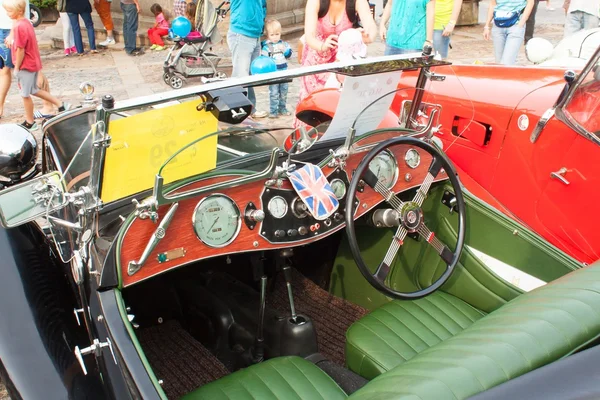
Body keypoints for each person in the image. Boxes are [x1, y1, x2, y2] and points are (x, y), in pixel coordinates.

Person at [3, 0, 70, 130]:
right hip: (31, 62)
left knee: (25, 94)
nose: (7, 14)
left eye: (9, 11)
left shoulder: (19, 27)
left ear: (19, 11)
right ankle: (60, 104)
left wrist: (16, 67)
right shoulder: (26, 23)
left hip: (25, 65)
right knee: (33, 90)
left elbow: (20, 49)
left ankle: (30, 121)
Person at [299, 0, 376, 104]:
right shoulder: (315, 2)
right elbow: (309, 36)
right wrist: (322, 46)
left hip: (341, 58)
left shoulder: (357, 2)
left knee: (338, 101)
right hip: (316, 59)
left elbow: (370, 26)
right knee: (312, 103)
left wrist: (368, 35)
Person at [227, 0, 267, 118]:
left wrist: (262, 23)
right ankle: (239, 112)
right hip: (241, 32)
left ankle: (250, 110)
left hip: (255, 34)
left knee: (248, 76)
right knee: (241, 75)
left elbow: (262, 5)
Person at [483, 0, 535, 65]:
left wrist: (522, 22)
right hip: (498, 25)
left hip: (515, 25)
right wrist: (487, 26)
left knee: (507, 62)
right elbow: (493, 4)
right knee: (499, 62)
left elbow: (530, 2)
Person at [261, 19, 292, 118]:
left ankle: (282, 108)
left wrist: (285, 50)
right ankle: (273, 111)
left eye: (277, 34)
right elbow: (264, 60)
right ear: (268, 35)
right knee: (274, 93)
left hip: (283, 72)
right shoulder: (266, 47)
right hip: (273, 73)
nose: (275, 37)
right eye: (272, 35)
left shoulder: (284, 44)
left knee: (284, 91)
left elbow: (289, 54)